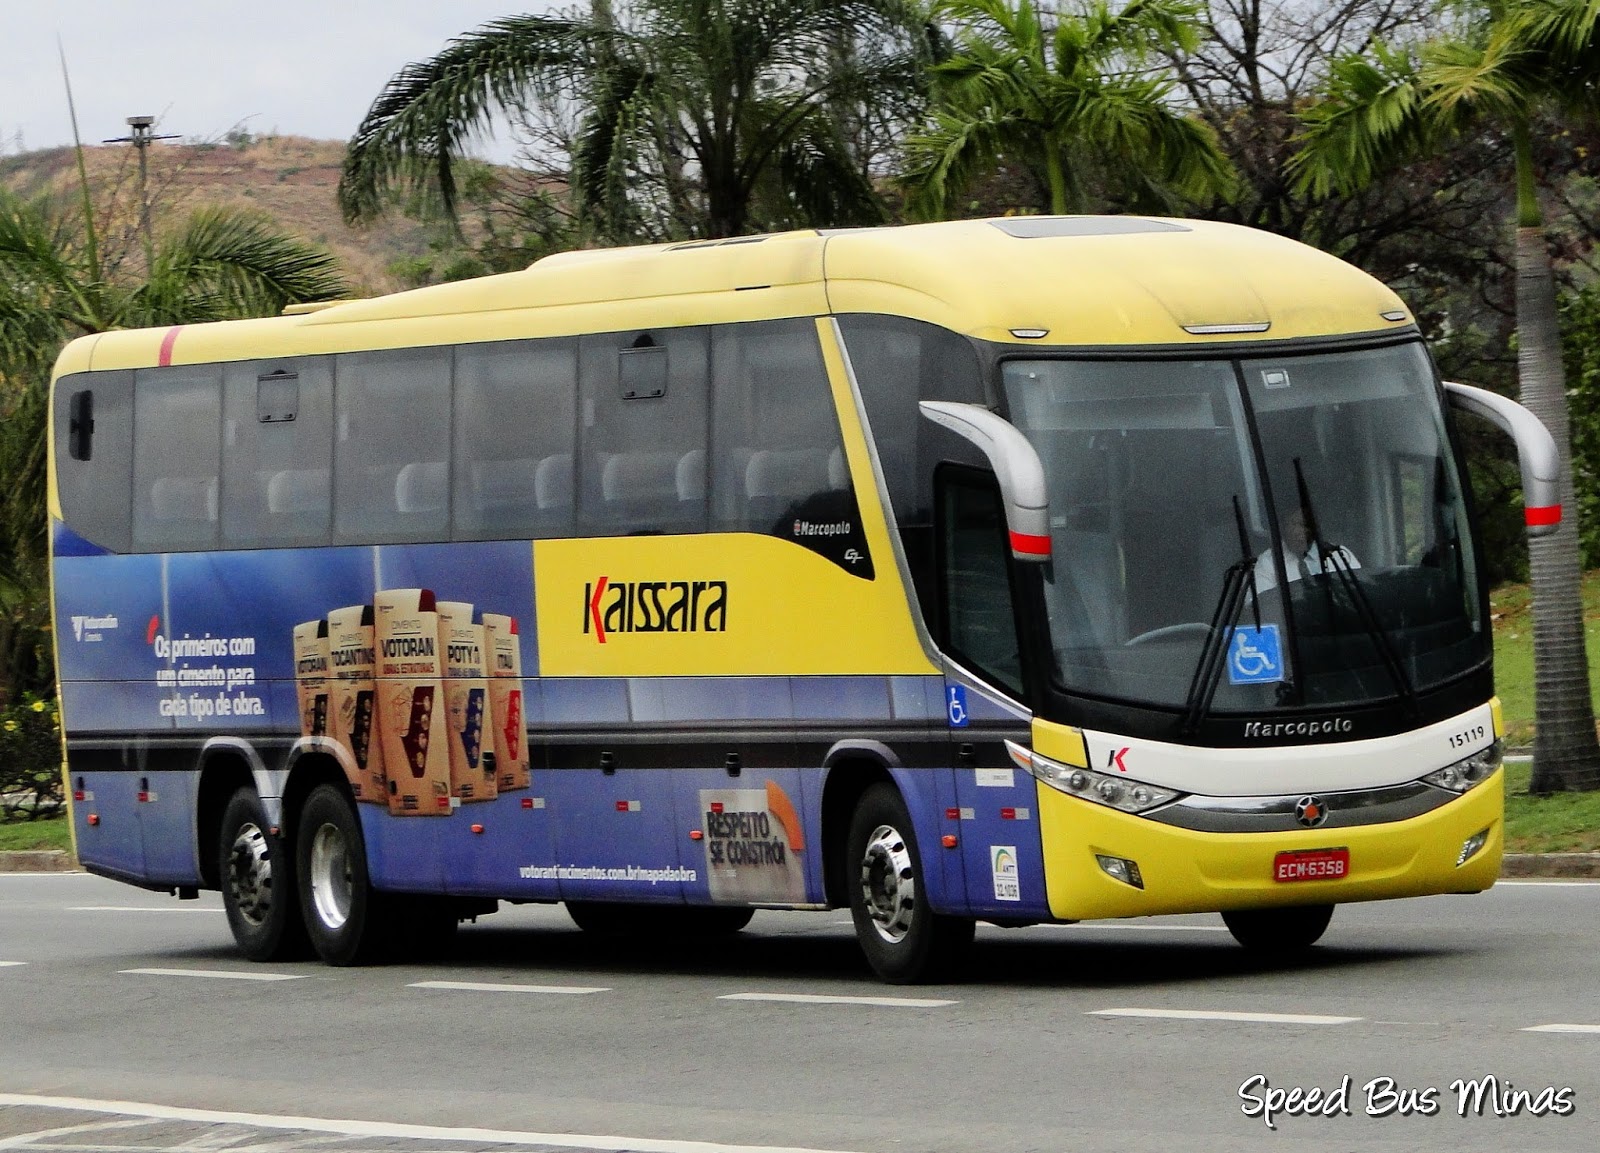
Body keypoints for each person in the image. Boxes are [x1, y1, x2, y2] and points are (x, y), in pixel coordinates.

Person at [1253, 505, 1360, 591]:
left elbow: (1359, 591)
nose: (1298, 532)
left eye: (1304, 525)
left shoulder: (1338, 555)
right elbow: (1263, 605)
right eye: (1292, 524)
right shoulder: (1268, 562)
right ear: (1283, 527)